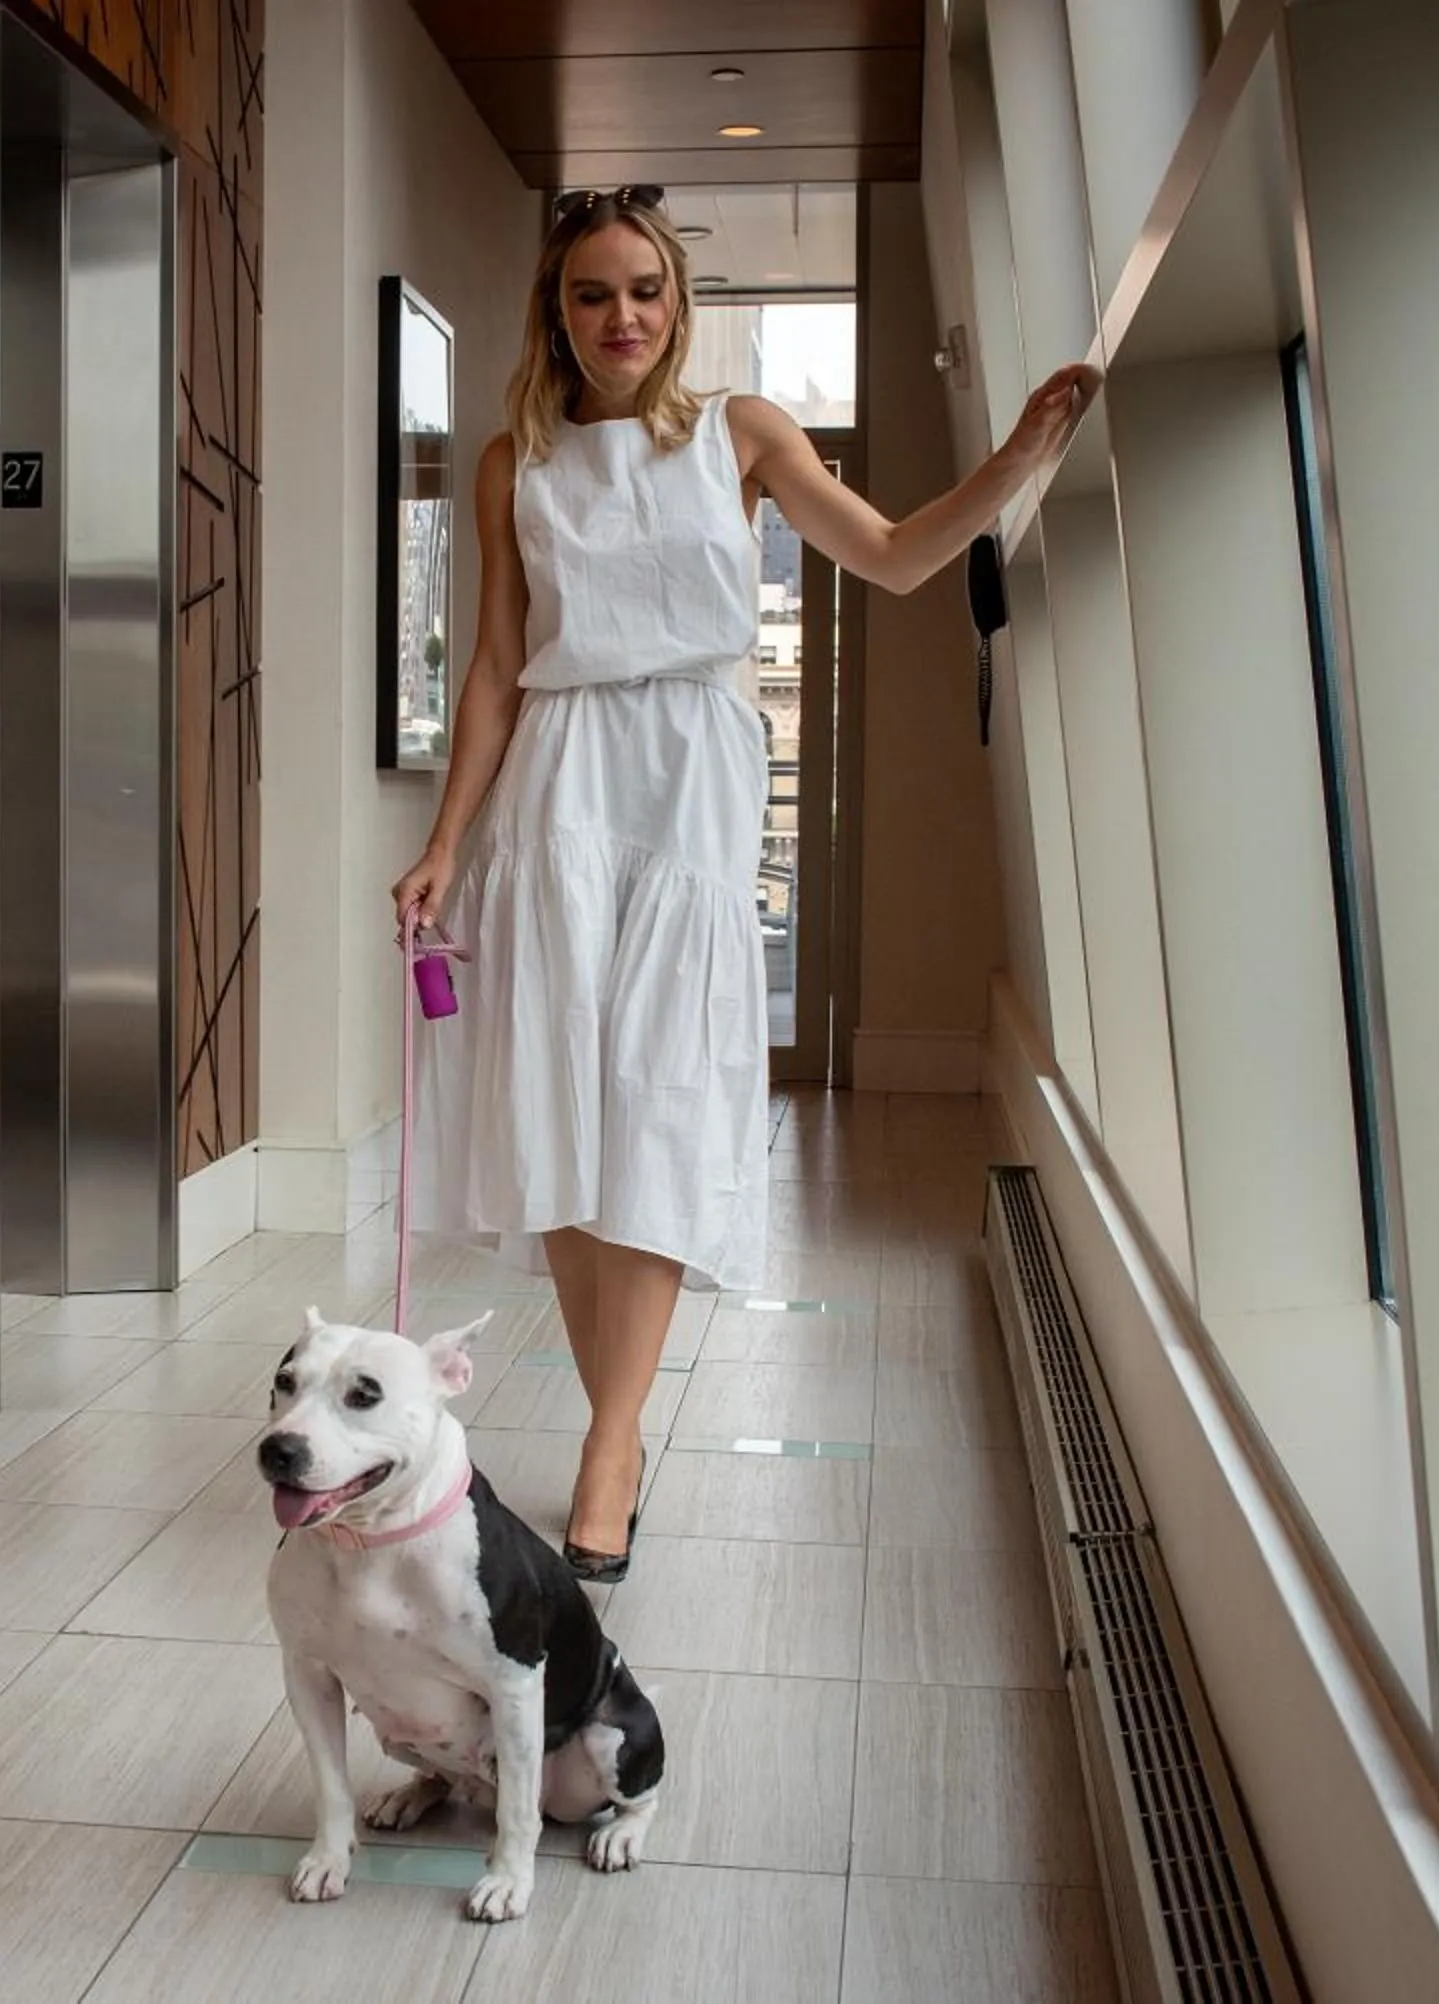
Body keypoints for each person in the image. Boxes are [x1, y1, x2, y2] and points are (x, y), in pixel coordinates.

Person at [390, 184, 1095, 1581]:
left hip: (691, 776)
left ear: (679, 301)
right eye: (593, 293)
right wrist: (446, 841)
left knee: (652, 1095)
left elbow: (893, 558)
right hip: (557, 780)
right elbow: (492, 664)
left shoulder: (741, 435)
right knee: (562, 1108)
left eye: (644, 289)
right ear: (558, 308)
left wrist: (1014, 459)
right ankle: (617, 1425)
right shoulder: (510, 463)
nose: (622, 318)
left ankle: (610, 1443)